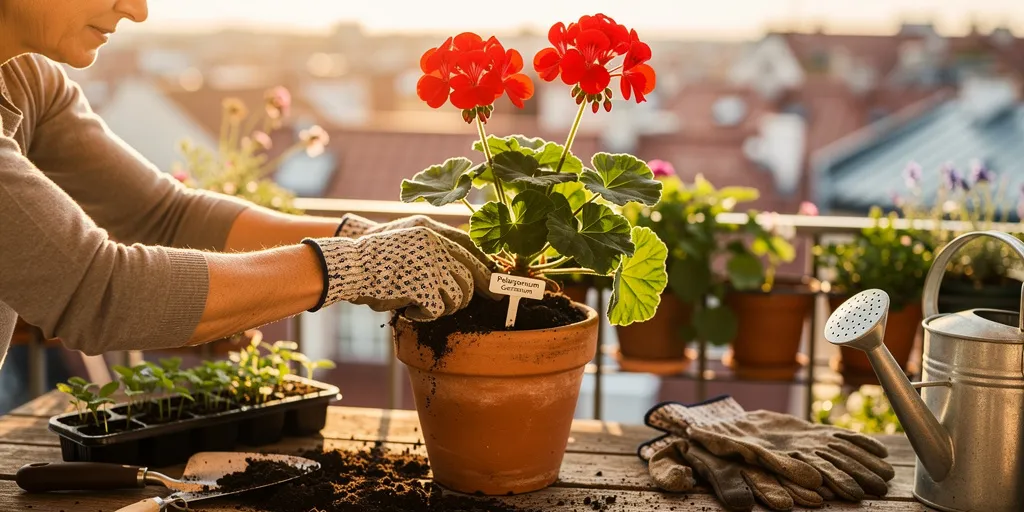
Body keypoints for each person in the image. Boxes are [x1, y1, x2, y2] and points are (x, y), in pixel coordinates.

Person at [0, 0, 494, 369]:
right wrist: (353, 266)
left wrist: (356, 236)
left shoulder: (25, 78)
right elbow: (102, 294)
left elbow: (163, 216)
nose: (137, 9)